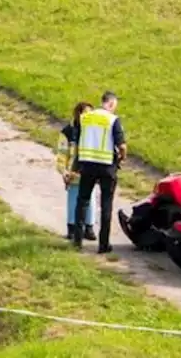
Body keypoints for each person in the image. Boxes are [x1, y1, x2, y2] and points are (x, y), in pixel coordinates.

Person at [72, 91, 127, 253]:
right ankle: (103, 244)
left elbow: (78, 142)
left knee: (82, 201)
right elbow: (122, 146)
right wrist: (122, 158)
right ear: (110, 103)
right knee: (106, 205)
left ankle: (77, 240)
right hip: (106, 166)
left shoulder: (85, 118)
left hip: (87, 164)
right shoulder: (112, 120)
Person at [57, 102, 96, 242]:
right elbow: (62, 153)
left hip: (89, 170)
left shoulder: (93, 131)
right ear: (78, 114)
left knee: (90, 200)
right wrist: (64, 171)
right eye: (85, 113)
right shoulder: (68, 132)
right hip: (73, 172)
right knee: (73, 200)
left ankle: (89, 226)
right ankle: (72, 227)